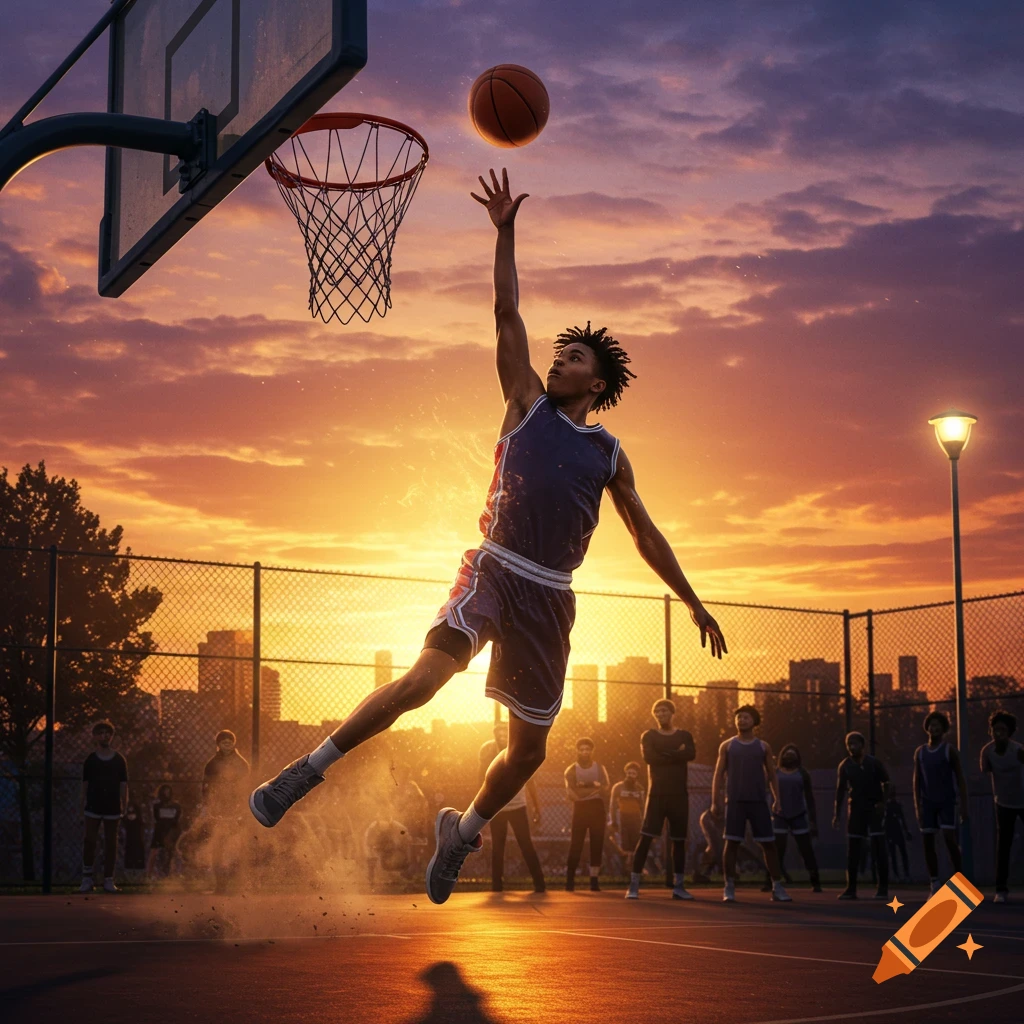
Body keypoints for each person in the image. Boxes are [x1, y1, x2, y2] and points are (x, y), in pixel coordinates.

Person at [248, 167, 728, 907]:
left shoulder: (608, 453)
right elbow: (506, 308)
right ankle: (304, 772)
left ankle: (462, 830)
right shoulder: (524, 402)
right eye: (559, 353)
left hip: (553, 598)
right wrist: (504, 231)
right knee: (424, 680)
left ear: (596, 384)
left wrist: (693, 601)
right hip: (494, 569)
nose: (560, 360)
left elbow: (647, 535)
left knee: (530, 750)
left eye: (576, 358)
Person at [711, 705, 791, 902]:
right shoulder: (727, 746)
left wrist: (777, 799)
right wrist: (715, 801)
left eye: (746, 717)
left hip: (758, 802)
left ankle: (777, 886)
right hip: (735, 802)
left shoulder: (763, 746)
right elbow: (718, 775)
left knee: (768, 844)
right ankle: (729, 887)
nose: (741, 720)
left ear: (754, 722)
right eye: (739, 717)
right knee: (731, 843)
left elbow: (772, 775)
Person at [626, 699, 695, 901]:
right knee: (646, 838)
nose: (661, 714)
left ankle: (679, 886)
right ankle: (634, 885)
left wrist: (667, 754)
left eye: (664, 710)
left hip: (679, 796)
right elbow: (650, 758)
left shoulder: (685, 735)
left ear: (672, 713)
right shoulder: (649, 736)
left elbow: (691, 753)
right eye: (657, 711)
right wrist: (677, 753)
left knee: (679, 841)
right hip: (656, 795)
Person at [913, 711, 969, 895]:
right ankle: (934, 883)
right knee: (928, 841)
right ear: (927, 728)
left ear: (943, 729)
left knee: (949, 839)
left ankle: (959, 881)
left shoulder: (948, 750)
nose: (934, 728)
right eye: (931, 724)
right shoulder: (920, 752)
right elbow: (917, 781)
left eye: (938, 725)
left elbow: (960, 777)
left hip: (946, 801)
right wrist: (918, 806)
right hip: (928, 803)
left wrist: (963, 805)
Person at [833, 731, 890, 900]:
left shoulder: (874, 763)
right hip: (856, 810)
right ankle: (851, 888)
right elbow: (840, 791)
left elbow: (887, 783)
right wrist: (836, 814)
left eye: (855, 743)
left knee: (878, 847)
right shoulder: (845, 766)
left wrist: (883, 803)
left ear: (862, 746)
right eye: (849, 744)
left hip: (873, 809)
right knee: (854, 849)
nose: (852, 747)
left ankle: (882, 888)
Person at [761, 744, 820, 893]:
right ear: (781, 756)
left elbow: (809, 797)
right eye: (787, 754)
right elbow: (763, 788)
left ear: (798, 758)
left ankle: (816, 881)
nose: (789, 757)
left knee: (806, 850)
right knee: (777, 851)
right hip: (779, 816)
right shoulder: (774, 772)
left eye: (793, 754)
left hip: (798, 815)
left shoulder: (803, 773)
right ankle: (770, 881)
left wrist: (813, 821)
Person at [979, 710, 1024, 903]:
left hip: (1023, 801)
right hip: (1003, 803)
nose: (999, 733)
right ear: (991, 731)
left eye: (1003, 730)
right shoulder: (987, 752)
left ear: (1010, 732)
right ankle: (1001, 890)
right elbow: (984, 772)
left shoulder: (1019, 751)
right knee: (1003, 845)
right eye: (995, 730)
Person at [80, 720, 128, 893]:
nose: (104, 736)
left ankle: (108, 879)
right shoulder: (91, 760)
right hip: (93, 805)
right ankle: (87, 879)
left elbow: (123, 784)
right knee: (89, 840)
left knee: (111, 843)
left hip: (112, 806)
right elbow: (85, 783)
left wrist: (125, 803)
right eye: (100, 733)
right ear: (95, 736)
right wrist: (81, 804)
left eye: (107, 733)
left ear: (111, 736)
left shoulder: (119, 760)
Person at [202, 729, 251, 894]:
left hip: (236, 810)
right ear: (218, 744)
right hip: (218, 810)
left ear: (234, 743)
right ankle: (220, 885)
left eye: (230, 741)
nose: (227, 745)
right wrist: (209, 806)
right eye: (224, 742)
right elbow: (206, 787)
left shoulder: (241, 763)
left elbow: (246, 787)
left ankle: (237, 884)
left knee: (235, 847)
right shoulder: (212, 764)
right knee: (218, 846)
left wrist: (242, 808)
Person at [564, 738, 610, 891]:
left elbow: (605, 788)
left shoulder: (600, 768)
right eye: (582, 749)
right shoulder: (571, 770)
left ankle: (594, 880)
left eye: (587, 749)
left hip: (597, 808)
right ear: (577, 751)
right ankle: (570, 880)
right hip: (580, 808)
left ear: (592, 751)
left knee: (597, 844)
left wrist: (583, 787)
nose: (585, 752)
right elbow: (571, 793)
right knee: (576, 844)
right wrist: (593, 787)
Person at [608, 762, 645, 875]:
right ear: (625, 773)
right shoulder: (618, 787)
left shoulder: (639, 788)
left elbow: (642, 806)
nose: (630, 775)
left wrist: (644, 821)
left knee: (635, 844)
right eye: (629, 773)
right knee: (624, 844)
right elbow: (613, 805)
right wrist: (613, 820)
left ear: (637, 775)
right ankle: (624, 868)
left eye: (633, 773)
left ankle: (634, 868)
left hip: (635, 818)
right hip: (622, 817)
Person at [146, 784, 183, 879]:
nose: (166, 793)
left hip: (172, 832)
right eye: (164, 791)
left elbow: (177, 819)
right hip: (160, 831)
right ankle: (148, 875)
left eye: (168, 791)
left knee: (175, 852)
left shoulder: (176, 806)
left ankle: (176, 873)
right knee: (154, 852)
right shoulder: (157, 806)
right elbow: (156, 818)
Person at [883, 787, 913, 885]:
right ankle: (897, 875)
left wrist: (906, 831)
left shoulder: (896, 806)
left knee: (902, 853)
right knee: (893, 855)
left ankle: (906, 874)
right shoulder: (887, 806)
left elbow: (902, 819)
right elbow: (885, 822)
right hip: (891, 833)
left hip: (897, 832)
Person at [122, 799, 146, 873]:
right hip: (130, 840)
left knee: (137, 852)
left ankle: (138, 868)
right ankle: (130, 868)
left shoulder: (138, 822)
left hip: (137, 840)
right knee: (130, 852)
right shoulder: (128, 821)